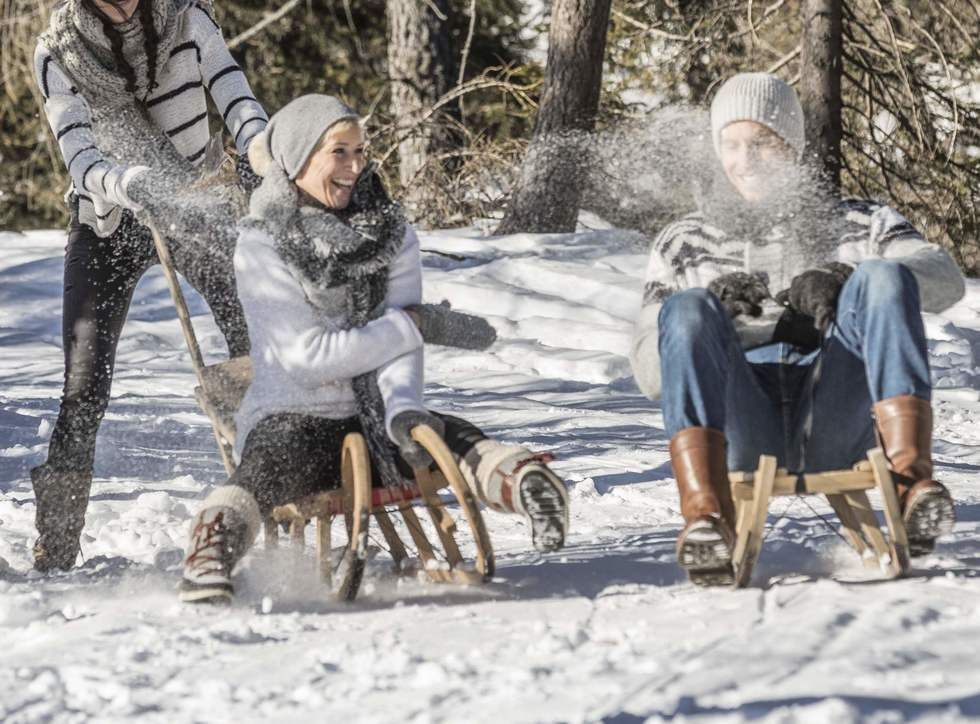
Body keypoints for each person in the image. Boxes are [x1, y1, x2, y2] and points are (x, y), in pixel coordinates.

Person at [179, 94, 570, 603]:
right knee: (270, 462)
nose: (355, 165)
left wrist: (405, 410)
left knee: (444, 436)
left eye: (360, 150)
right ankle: (212, 549)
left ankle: (528, 486)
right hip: (294, 412)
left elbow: (400, 344)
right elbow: (307, 358)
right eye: (338, 152)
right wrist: (410, 327)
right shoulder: (262, 243)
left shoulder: (389, 233)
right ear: (298, 158)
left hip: (374, 412)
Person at [630, 72, 963, 586]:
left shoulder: (859, 221)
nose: (747, 159)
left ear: (793, 145)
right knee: (688, 308)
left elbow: (945, 281)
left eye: (764, 142)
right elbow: (651, 373)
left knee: (882, 275)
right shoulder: (683, 243)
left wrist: (843, 280)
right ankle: (706, 521)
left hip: (836, 411)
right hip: (740, 427)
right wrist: (719, 319)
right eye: (733, 145)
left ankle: (911, 486)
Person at [31, 0, 269, 572]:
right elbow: (78, 154)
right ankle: (58, 537)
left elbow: (234, 91)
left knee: (256, 342)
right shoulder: (59, 52)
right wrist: (129, 182)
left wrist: (259, 143)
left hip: (195, 204)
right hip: (109, 220)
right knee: (85, 381)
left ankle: (273, 487)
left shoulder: (189, 18)